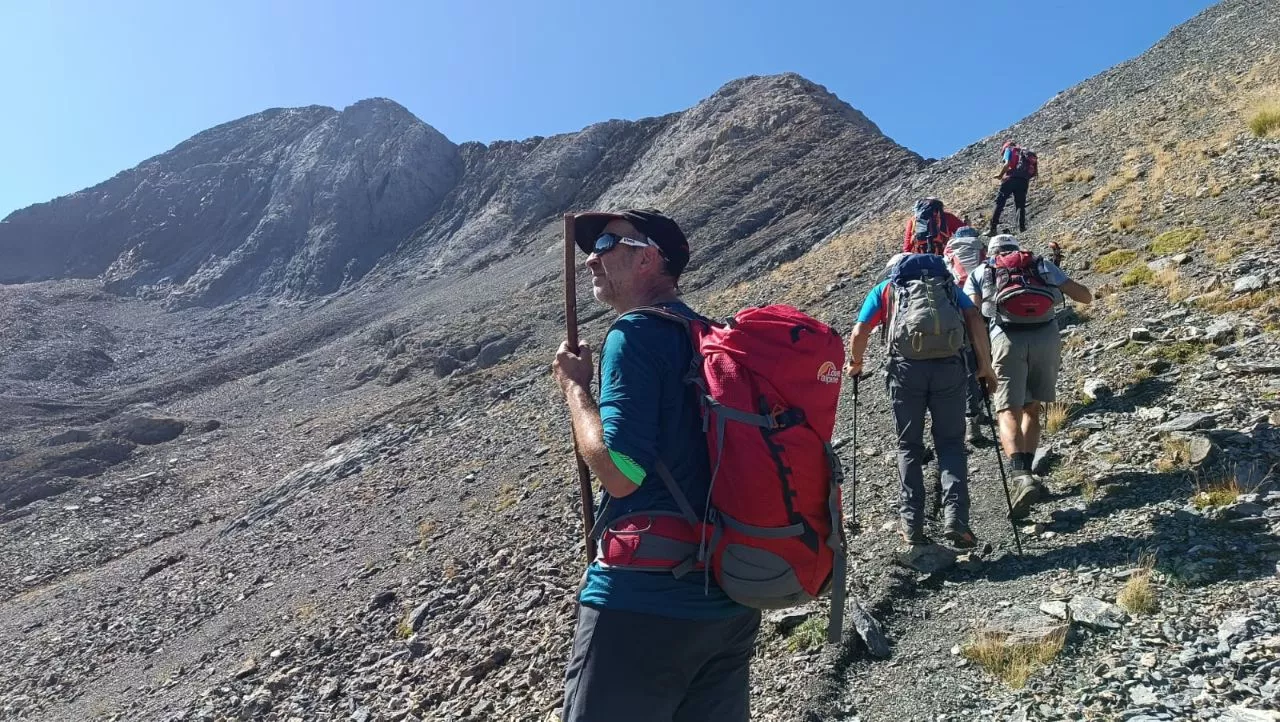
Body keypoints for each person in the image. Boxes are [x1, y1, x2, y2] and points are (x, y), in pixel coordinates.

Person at [552, 208, 760, 722]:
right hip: (729, 599)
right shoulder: (711, 338)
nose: (592, 258)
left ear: (649, 259)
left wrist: (577, 391)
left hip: (644, 601)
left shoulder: (634, 334)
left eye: (606, 242)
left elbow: (621, 472)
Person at [845, 253, 996, 547]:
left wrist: (856, 363)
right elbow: (974, 316)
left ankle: (911, 525)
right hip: (950, 368)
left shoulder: (887, 289)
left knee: (908, 446)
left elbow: (860, 330)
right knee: (951, 443)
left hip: (905, 371)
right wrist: (984, 364)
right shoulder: (947, 286)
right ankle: (957, 520)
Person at [965, 235, 1092, 519]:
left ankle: (1021, 476)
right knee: (1032, 408)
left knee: (1007, 409)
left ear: (991, 252)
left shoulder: (981, 272)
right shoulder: (1040, 265)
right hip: (1047, 337)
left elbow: (972, 315)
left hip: (1006, 339)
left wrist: (979, 358)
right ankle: (1029, 470)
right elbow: (1084, 296)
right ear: (1017, 251)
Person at [944, 226, 991, 444]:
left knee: (969, 363)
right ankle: (985, 403)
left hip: (959, 312)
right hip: (981, 308)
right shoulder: (981, 248)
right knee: (984, 358)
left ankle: (972, 419)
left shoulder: (948, 252)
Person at [989, 140, 1037, 235]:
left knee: (999, 202)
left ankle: (992, 229)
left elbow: (1007, 164)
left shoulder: (1009, 150)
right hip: (1023, 181)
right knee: (1020, 204)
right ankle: (1021, 228)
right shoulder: (1023, 152)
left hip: (1010, 178)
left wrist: (1000, 175)